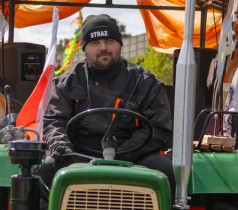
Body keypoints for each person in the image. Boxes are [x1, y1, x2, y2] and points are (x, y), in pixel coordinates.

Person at [39, 14, 173, 188]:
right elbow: (55, 121)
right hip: (79, 154)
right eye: (95, 43)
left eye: (109, 41)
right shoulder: (67, 83)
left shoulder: (145, 82)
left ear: (119, 44)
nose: (103, 48)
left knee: (164, 169)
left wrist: (123, 153)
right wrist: (62, 148)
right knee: (44, 172)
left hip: (134, 155)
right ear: (85, 49)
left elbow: (158, 127)